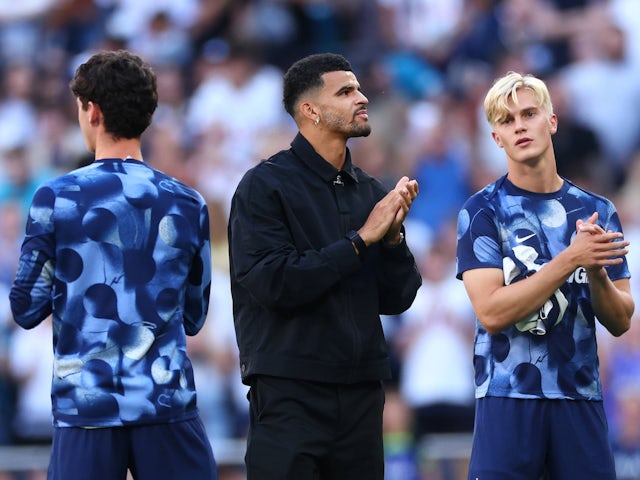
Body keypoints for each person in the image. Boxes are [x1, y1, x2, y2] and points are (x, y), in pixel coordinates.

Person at [9, 50, 218, 480]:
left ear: (93, 110)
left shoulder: (56, 198)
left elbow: (25, 307)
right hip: (167, 403)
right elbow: (195, 315)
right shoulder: (188, 201)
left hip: (86, 406)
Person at [228, 52, 422, 480]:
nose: (363, 97)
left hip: (362, 397)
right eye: (346, 91)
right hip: (288, 394)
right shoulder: (263, 186)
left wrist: (391, 242)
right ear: (310, 110)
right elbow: (273, 283)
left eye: (359, 88)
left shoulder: (371, 191)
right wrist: (360, 240)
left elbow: (397, 298)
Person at [456, 70, 635, 480]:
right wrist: (570, 259)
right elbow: (492, 312)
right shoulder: (482, 211)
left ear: (551, 121)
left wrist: (596, 274)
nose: (519, 125)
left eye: (529, 113)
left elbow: (621, 320)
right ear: (496, 138)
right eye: (506, 120)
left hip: (579, 393)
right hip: (507, 393)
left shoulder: (597, 210)